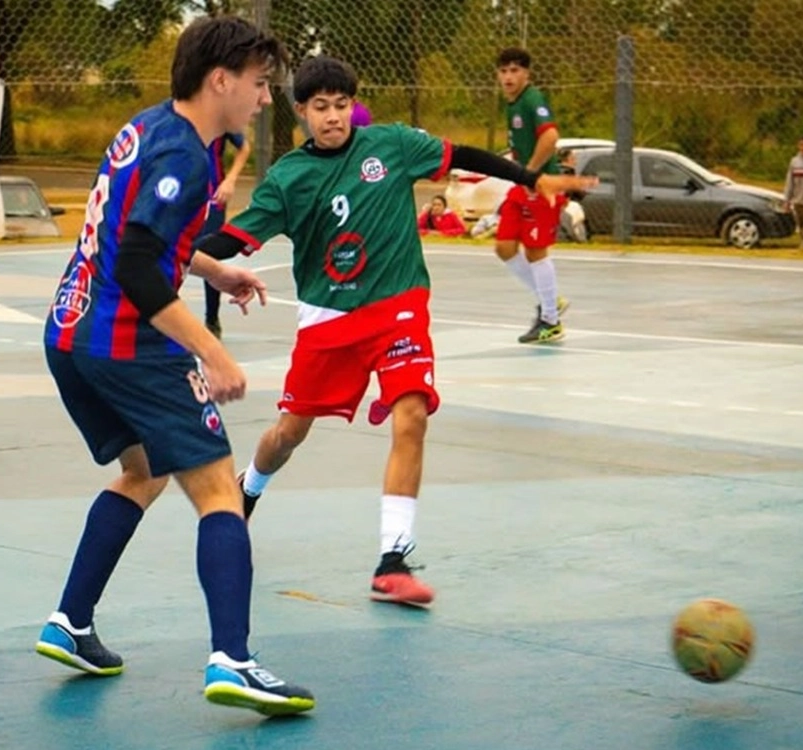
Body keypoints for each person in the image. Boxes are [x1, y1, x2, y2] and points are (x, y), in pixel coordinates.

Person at [191, 56, 594, 606]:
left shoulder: (393, 145)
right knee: (289, 433)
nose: (332, 117)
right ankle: (249, 490)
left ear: (351, 106)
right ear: (302, 112)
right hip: (328, 320)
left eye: (340, 106)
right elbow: (234, 241)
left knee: (412, 415)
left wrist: (530, 176)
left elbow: (463, 156)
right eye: (319, 108)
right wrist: (169, 257)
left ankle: (393, 560)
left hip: (399, 308)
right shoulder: (288, 179)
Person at [35, 16, 314, 718]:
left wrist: (213, 269)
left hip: (69, 334)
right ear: (220, 79)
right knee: (220, 489)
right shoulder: (189, 158)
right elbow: (134, 264)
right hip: (127, 344)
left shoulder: (149, 128)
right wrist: (210, 348)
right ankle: (235, 661)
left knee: (142, 471)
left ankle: (70, 622)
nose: (263, 98)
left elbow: (134, 233)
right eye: (257, 83)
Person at [493, 46, 571, 344]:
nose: (508, 77)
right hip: (523, 185)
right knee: (504, 247)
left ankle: (551, 321)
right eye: (503, 71)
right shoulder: (512, 104)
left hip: (541, 184)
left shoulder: (532, 99)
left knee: (535, 251)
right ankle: (549, 298)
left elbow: (550, 137)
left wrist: (531, 172)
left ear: (527, 73)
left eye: (515, 71)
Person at [202, 134, 253, 338]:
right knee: (171, 252)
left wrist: (230, 180)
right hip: (183, 192)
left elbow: (244, 147)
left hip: (214, 194)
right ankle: (164, 318)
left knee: (209, 253)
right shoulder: (175, 118)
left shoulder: (219, 115)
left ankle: (212, 318)